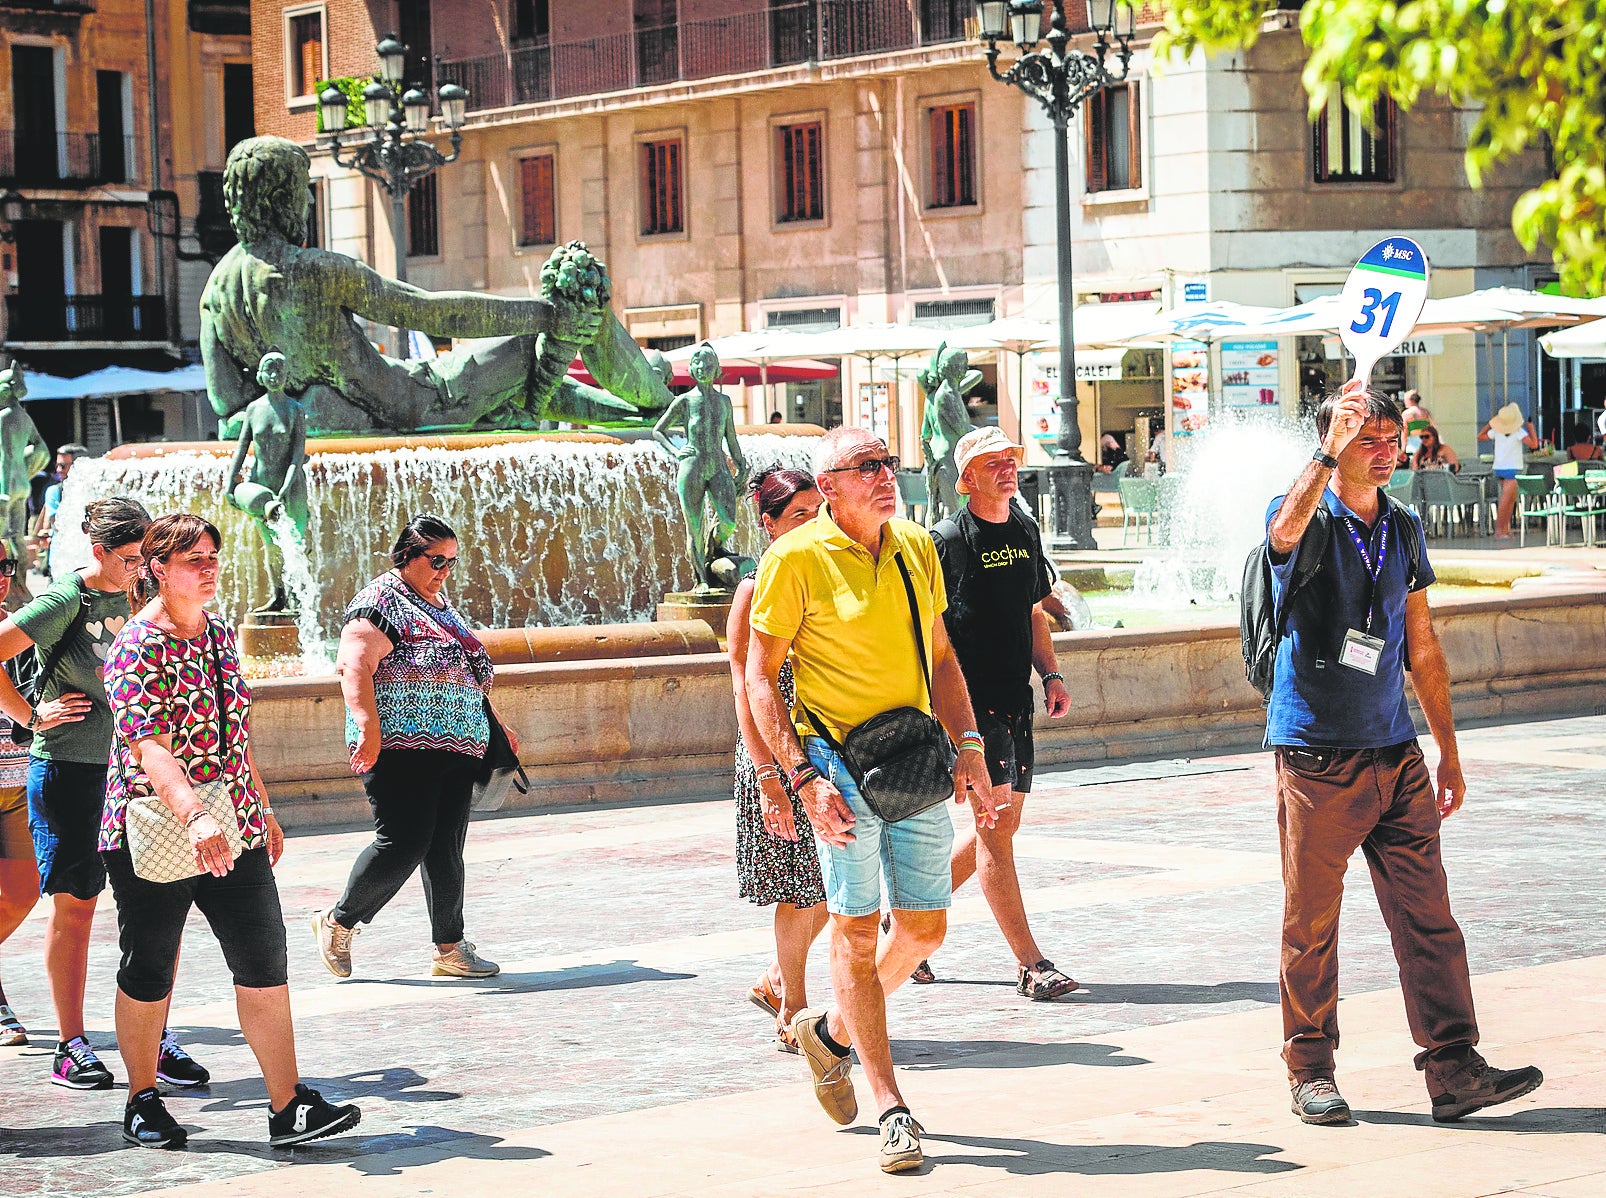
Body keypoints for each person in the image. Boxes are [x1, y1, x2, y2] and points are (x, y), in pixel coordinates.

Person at [1265, 383, 1542, 1127]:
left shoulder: (1405, 525)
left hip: (1397, 751)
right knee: (1311, 923)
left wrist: (1446, 750)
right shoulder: (1304, 509)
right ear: (1334, 445)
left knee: (1430, 921)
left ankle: (1455, 1069)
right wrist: (1326, 450)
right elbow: (1280, 541)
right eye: (1369, 440)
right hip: (1320, 754)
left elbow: (1422, 643)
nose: (1387, 453)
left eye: (1393, 441)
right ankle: (1310, 1070)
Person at [746, 427, 999, 1175]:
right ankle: (892, 1105)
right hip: (837, 763)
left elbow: (943, 656)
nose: (886, 476)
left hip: (913, 756)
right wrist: (797, 776)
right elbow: (760, 677)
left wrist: (972, 745)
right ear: (828, 487)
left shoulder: (916, 547)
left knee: (923, 932)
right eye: (867, 467)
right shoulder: (791, 560)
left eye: (889, 463)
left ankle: (830, 1030)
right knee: (855, 933)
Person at [102, 514, 360, 1149]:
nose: (210, 567)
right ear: (158, 569)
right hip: (155, 824)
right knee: (150, 967)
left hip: (232, 819)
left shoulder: (218, 633)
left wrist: (260, 808)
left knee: (264, 958)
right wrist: (194, 816)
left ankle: (288, 1105)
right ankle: (141, 1098)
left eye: (214, 556)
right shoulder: (137, 646)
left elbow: (232, 733)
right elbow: (149, 747)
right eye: (194, 559)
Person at [0, 498, 206, 1090]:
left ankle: (153, 1034)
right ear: (99, 553)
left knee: (155, 909)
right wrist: (29, 716)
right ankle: (71, 1043)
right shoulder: (69, 600)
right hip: (71, 771)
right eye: (134, 558)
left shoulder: (153, 597)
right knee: (77, 904)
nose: (146, 569)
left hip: (142, 778)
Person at [314, 515, 512, 981]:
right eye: (436, 560)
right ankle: (338, 921)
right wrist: (366, 725)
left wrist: (496, 723)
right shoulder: (380, 601)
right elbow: (355, 663)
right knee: (403, 842)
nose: (444, 570)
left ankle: (450, 948)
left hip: (456, 744)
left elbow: (464, 672)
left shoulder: (437, 604)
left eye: (452, 562)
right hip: (402, 745)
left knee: (446, 848)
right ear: (407, 555)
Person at [926, 428, 1076, 998]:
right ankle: (1030, 964)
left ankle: (907, 921)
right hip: (969, 707)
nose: (1006, 470)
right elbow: (928, 635)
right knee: (994, 830)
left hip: (1015, 701)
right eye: (991, 463)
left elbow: (1034, 610)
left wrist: (1051, 673)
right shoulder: (945, 542)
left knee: (1002, 825)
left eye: (1010, 459)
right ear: (965, 479)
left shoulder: (1024, 527)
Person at [726, 466, 828, 1053]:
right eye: (797, 516)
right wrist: (767, 774)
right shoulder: (755, 586)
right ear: (768, 525)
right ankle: (792, 1002)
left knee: (834, 886)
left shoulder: (828, 572)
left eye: (819, 512)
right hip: (776, 754)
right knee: (799, 889)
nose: (812, 525)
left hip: (827, 747)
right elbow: (745, 685)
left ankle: (775, 980)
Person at [652, 342, 751, 589]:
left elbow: (731, 438)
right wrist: (676, 451)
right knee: (694, 527)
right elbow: (658, 431)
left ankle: (712, 551)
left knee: (728, 521)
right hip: (692, 466)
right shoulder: (684, 401)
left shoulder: (725, 402)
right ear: (692, 370)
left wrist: (741, 465)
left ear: (715, 369)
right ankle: (701, 580)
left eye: (707, 364)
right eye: (697, 364)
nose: (702, 368)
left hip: (717, 464)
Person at [225, 351, 308, 613]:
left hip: (291, 486)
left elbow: (297, 454)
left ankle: (296, 597)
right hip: (260, 487)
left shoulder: (296, 410)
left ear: (287, 376)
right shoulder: (253, 409)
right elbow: (241, 450)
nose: (274, 376)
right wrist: (230, 486)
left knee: (293, 543)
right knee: (270, 546)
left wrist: (284, 489)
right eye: (269, 371)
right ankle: (279, 596)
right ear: (260, 376)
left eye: (279, 371)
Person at [0, 543, 38, 1044]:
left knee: (24, 891)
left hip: (17, 780)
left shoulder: (22, 627)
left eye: (4, 566)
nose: (0, 577)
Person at [1478, 403, 1539, 539]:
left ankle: (1505, 529)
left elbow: (1480, 436)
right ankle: (1499, 531)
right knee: (1507, 501)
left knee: (1509, 500)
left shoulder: (1496, 432)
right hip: (1512, 468)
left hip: (1499, 467)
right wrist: (1531, 428)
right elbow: (1534, 444)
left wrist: (1490, 424)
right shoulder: (1519, 432)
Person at [32, 443, 89, 581]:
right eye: (56, 465)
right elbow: (58, 525)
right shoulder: (54, 491)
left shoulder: (90, 490)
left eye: (63, 466)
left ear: (78, 466)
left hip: (86, 563)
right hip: (61, 564)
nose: (58, 470)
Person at [1400, 390, 1432, 457]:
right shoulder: (1426, 412)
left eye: (1405, 399)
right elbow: (1432, 429)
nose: (1404, 401)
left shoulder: (1407, 414)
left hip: (1413, 445)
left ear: (1410, 400)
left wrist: (1403, 449)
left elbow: (1404, 432)